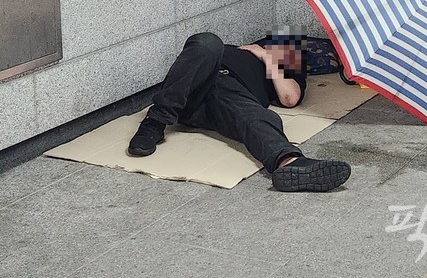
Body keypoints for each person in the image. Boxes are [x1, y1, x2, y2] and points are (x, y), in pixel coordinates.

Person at [127, 26, 351, 192]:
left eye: (288, 45)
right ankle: (154, 123)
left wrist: (269, 59)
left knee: (259, 118)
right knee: (207, 41)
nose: (281, 43)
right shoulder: (237, 50)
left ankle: (289, 163)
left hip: (229, 98)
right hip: (192, 87)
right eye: (278, 41)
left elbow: (290, 98)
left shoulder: (285, 69)